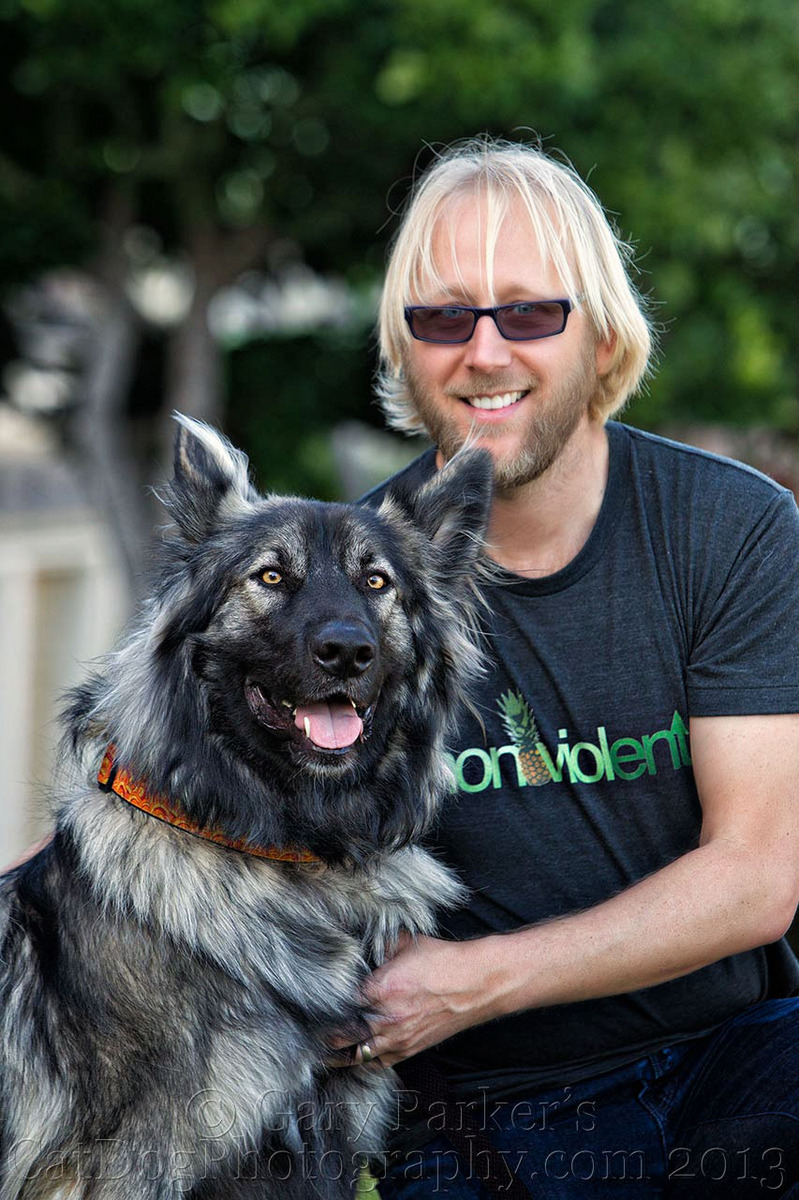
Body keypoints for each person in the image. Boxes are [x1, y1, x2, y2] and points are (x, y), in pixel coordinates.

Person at [349, 137, 799, 1197]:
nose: (485, 351)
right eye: (444, 316)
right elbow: (178, 795)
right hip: (492, 1109)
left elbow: (757, 876)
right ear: (406, 350)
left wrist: (472, 981)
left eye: (531, 313)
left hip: (737, 1061)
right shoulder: (344, 588)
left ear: (601, 337)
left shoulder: (729, 531)